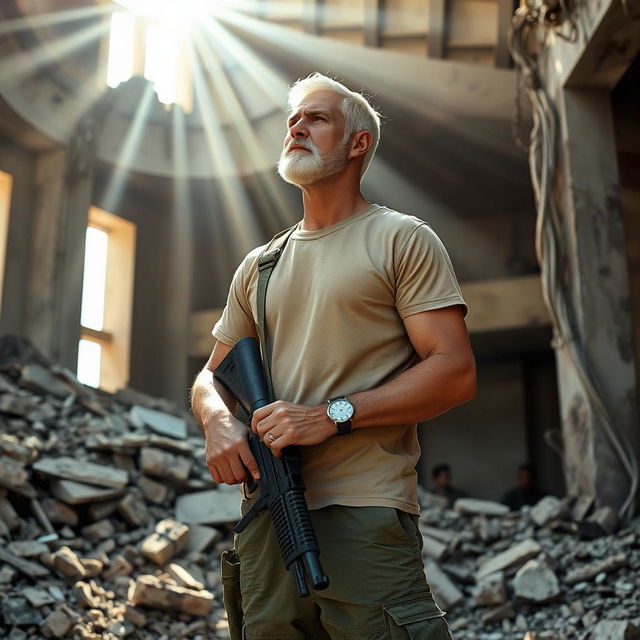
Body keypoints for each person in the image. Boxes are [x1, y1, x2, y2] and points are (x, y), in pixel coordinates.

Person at [190, 73, 476, 640]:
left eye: (317, 119)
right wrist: (218, 424)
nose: (297, 127)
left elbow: (454, 371)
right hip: (268, 514)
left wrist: (329, 415)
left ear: (357, 144)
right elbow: (210, 376)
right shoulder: (260, 265)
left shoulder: (400, 238)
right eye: (294, 120)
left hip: (364, 508)